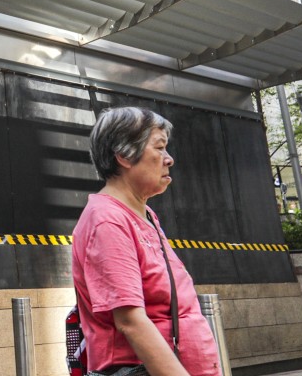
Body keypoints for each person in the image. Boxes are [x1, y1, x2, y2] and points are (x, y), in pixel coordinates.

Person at [72, 107, 221, 376]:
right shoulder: (108, 220)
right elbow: (130, 321)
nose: (169, 159)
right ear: (124, 156)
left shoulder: (144, 214)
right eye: (160, 148)